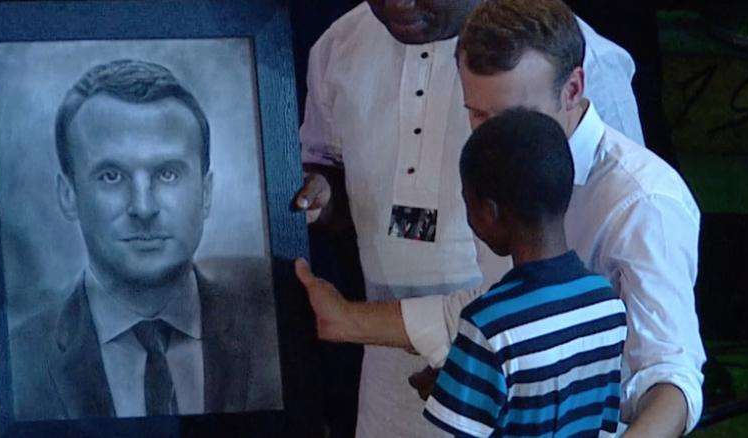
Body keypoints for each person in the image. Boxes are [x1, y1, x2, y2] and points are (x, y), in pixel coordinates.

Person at [295, 1, 705, 437]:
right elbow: (494, 299)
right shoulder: (506, 168)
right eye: (476, 114)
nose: (491, 140)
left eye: (511, 116)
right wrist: (469, 364)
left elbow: (670, 378)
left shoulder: (643, 202)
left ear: (573, 90)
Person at [9, 59, 281, 421]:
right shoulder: (17, 361)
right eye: (111, 176)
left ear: (206, 193)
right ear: (68, 195)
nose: (143, 207)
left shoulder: (276, 337)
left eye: (167, 174)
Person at [426, 109, 627, 436]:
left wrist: (450, 388)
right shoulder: (607, 304)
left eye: (468, 202)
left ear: (489, 212)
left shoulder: (488, 324)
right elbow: (601, 420)